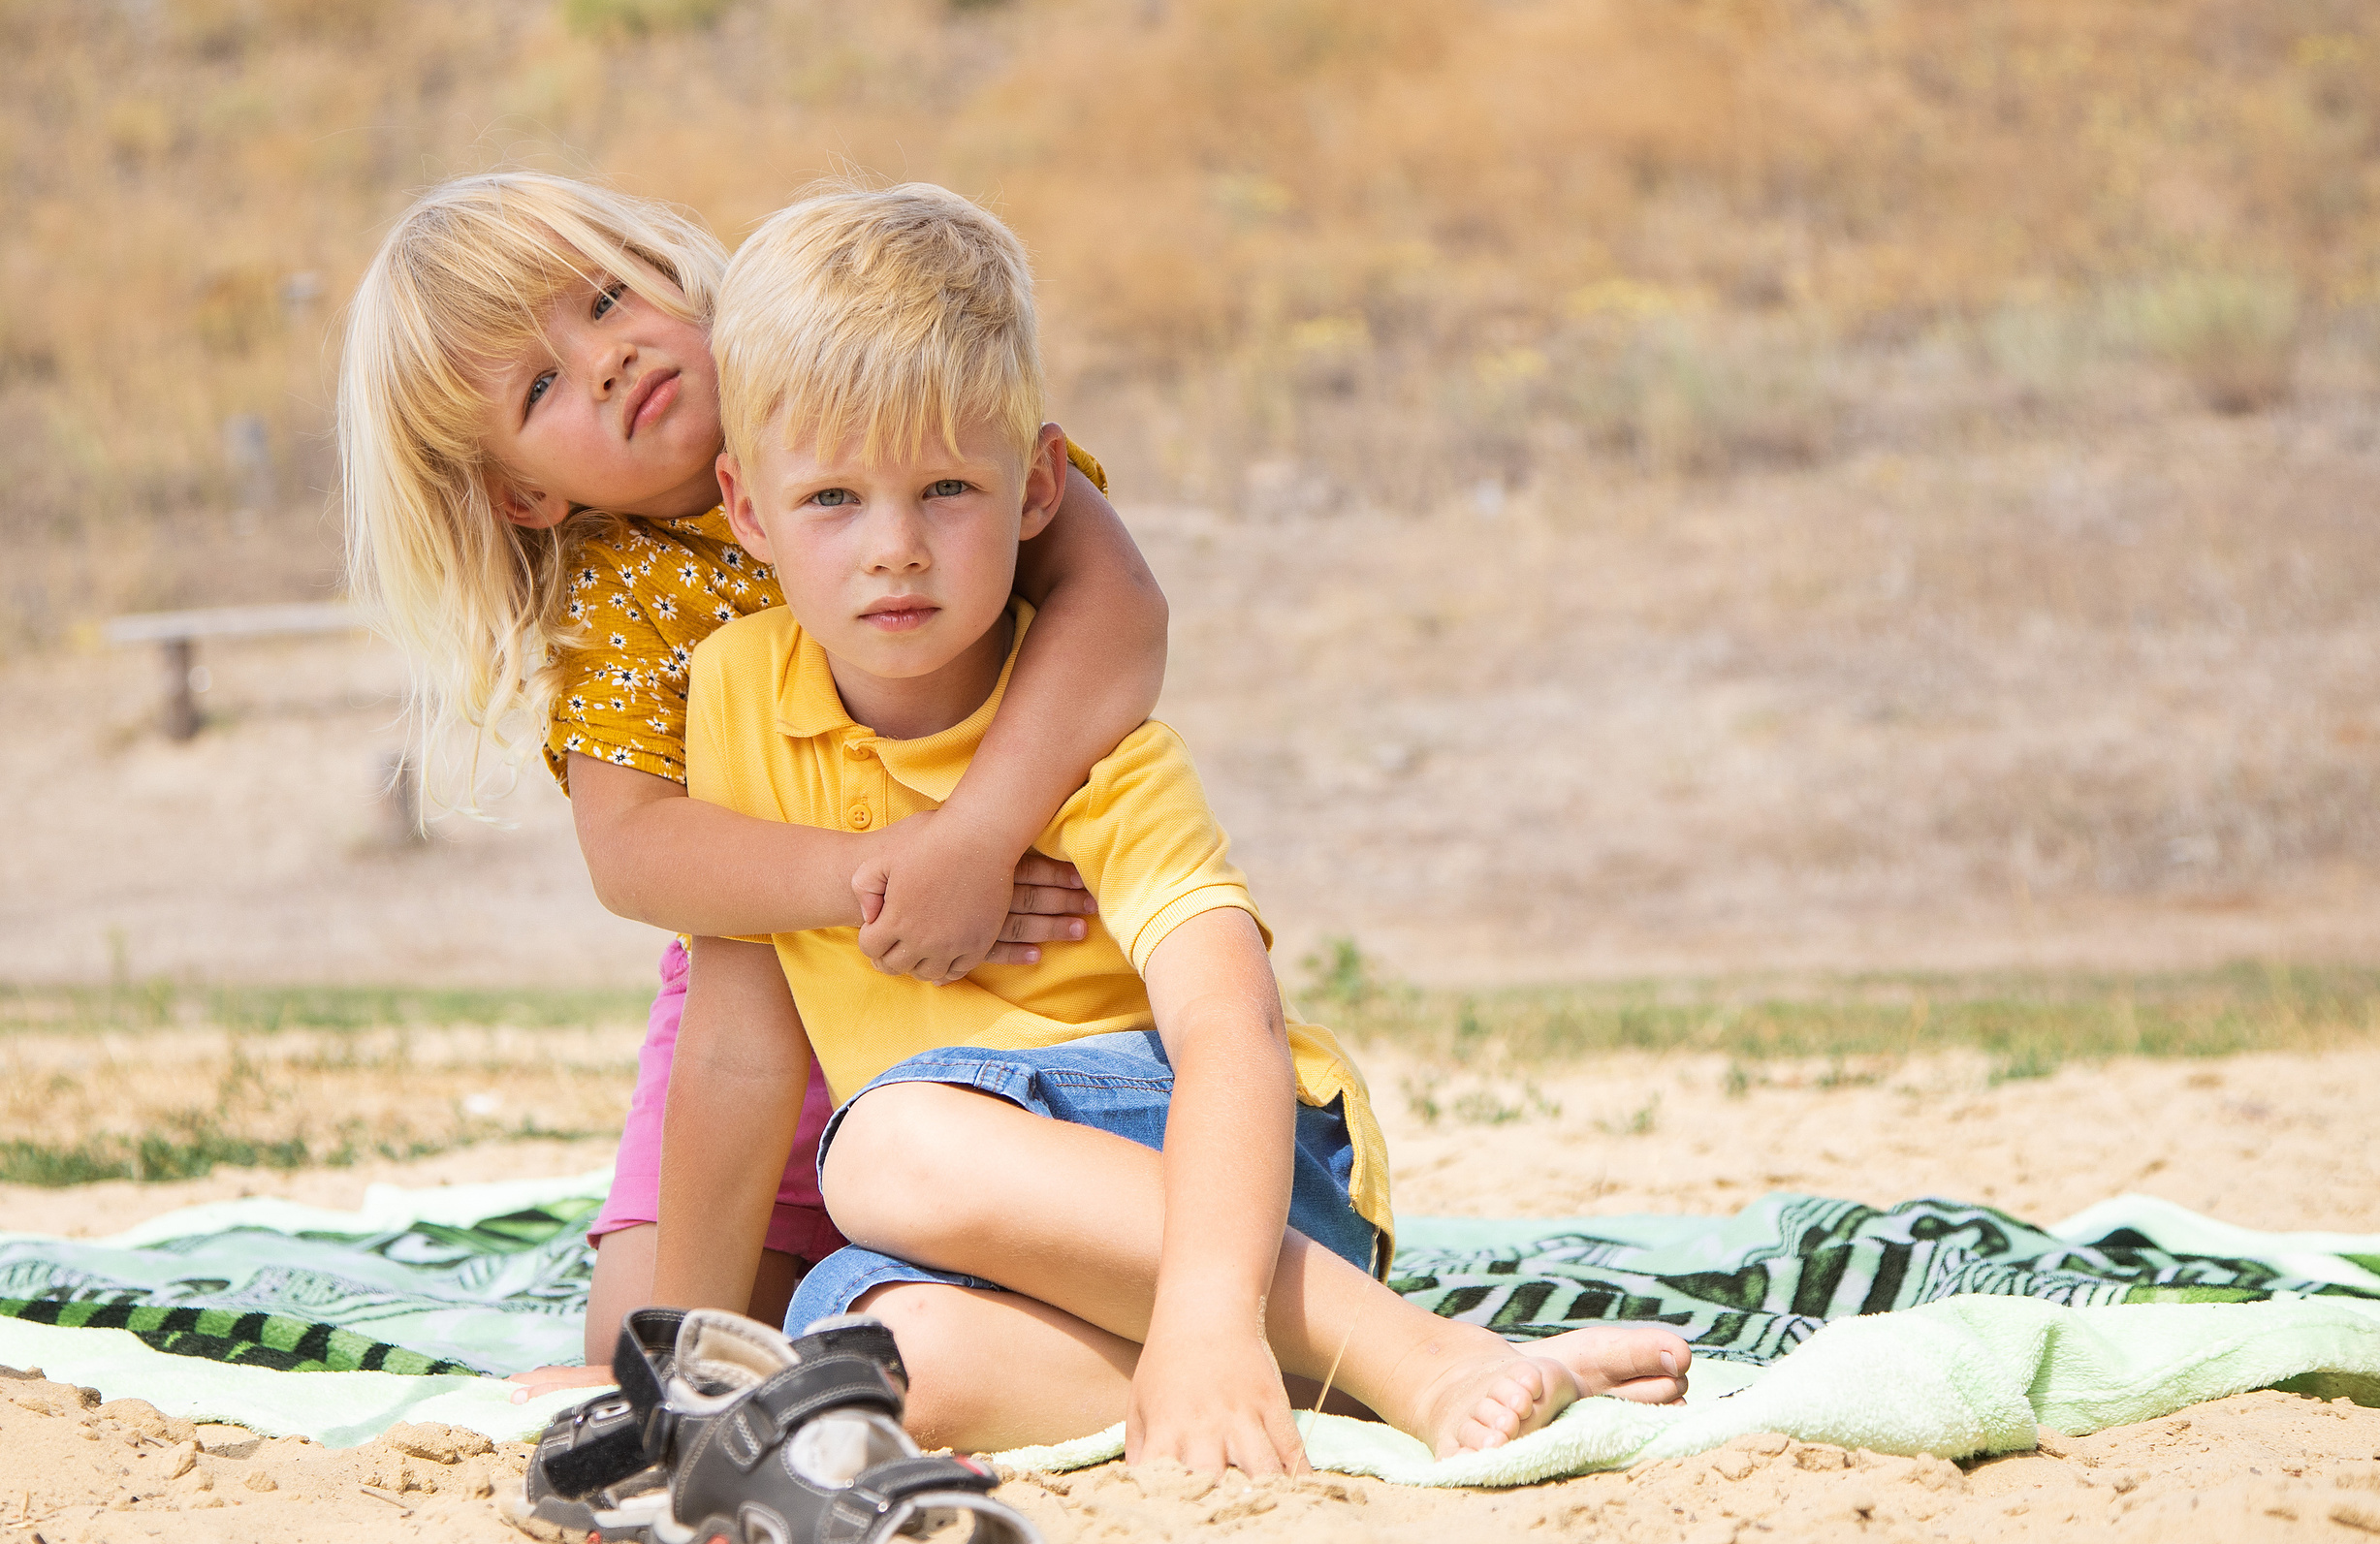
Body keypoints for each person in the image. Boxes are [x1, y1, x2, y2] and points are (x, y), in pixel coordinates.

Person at [654, 183, 1691, 1471]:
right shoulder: (734, 696)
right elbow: (736, 1046)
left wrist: (1207, 1296)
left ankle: (1387, 1345)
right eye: (832, 499)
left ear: (1038, 486)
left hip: (1231, 1184)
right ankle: (1352, 1373)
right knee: (867, 1367)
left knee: (884, 1144)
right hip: (974, 1243)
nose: (895, 547)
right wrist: (661, 1347)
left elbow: (1228, 1025)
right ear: (747, 509)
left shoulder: (1084, 741)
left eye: (946, 487)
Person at [334, 172, 1168, 1381]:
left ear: (673, 272)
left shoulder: (870, 390)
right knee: (649, 1344)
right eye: (541, 385)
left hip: (1009, 947)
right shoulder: (618, 598)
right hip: (764, 997)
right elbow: (636, 848)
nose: (606, 361)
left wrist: (975, 839)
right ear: (522, 490)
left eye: (607, 299)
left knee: (994, 1244)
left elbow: (1117, 604)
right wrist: (880, 872)